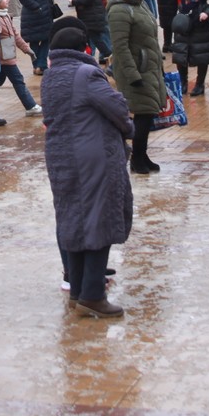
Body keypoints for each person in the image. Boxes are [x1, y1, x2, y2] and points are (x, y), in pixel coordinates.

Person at [42, 18, 133, 319]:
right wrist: (129, 127)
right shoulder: (87, 73)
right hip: (92, 158)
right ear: (84, 47)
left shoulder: (51, 76)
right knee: (99, 220)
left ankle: (78, 290)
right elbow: (118, 108)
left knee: (74, 221)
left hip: (61, 157)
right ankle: (94, 295)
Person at [107, 0, 165, 174]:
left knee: (148, 113)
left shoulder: (138, 5)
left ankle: (142, 154)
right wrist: (133, 75)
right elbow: (120, 47)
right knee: (143, 114)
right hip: (136, 71)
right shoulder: (119, 10)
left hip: (148, 67)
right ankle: (136, 158)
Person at [0, 0, 41, 117]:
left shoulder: (5, 16)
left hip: (8, 55)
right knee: (18, 80)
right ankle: (30, 106)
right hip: (3, 57)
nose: (8, 0)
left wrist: (27, 49)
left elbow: (16, 36)